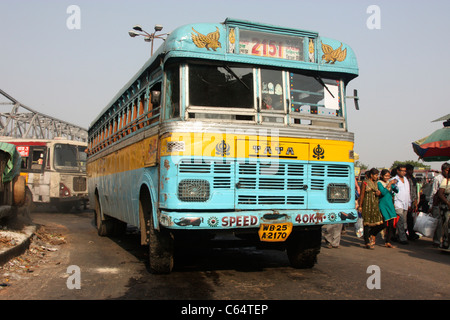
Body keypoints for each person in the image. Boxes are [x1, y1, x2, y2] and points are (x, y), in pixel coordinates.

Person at [358, 168, 385, 249]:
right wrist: (360, 205)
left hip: (375, 205)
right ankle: (367, 242)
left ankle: (371, 234)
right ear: (371, 175)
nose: (377, 176)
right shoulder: (365, 182)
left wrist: (379, 193)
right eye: (376, 175)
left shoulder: (377, 183)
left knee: (381, 224)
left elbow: (380, 192)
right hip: (367, 204)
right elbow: (362, 194)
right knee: (366, 223)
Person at [377, 169, 398, 248]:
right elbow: (383, 192)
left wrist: (394, 185)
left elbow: (397, 191)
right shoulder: (379, 183)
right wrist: (389, 184)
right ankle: (373, 233)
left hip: (390, 204)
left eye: (388, 176)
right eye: (386, 176)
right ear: (382, 176)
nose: (387, 177)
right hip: (383, 204)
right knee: (385, 223)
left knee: (391, 223)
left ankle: (388, 241)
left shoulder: (390, 182)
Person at [429, 163, 448, 246]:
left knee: (445, 224)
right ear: (443, 170)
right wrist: (431, 205)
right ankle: (437, 240)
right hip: (438, 204)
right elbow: (433, 192)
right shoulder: (438, 179)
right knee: (438, 222)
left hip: (446, 205)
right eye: (447, 170)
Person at [391, 164, 411, 244]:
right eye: (402, 171)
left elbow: (408, 192)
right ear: (398, 171)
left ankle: (396, 235)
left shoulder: (406, 179)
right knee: (400, 220)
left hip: (405, 203)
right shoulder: (394, 179)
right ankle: (402, 238)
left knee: (404, 221)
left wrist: (409, 203)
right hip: (398, 203)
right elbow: (392, 192)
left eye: (405, 171)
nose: (404, 172)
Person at [436, 163, 450, 249]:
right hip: (446, 207)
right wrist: (448, 203)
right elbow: (440, 194)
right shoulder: (446, 180)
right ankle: (445, 243)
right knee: (446, 225)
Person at [406, 164, 419, 240]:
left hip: (413, 201)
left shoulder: (414, 179)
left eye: (412, 170)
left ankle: (411, 234)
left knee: (411, 219)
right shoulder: (405, 179)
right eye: (409, 170)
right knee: (406, 219)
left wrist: (416, 201)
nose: (411, 171)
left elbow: (415, 190)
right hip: (406, 201)